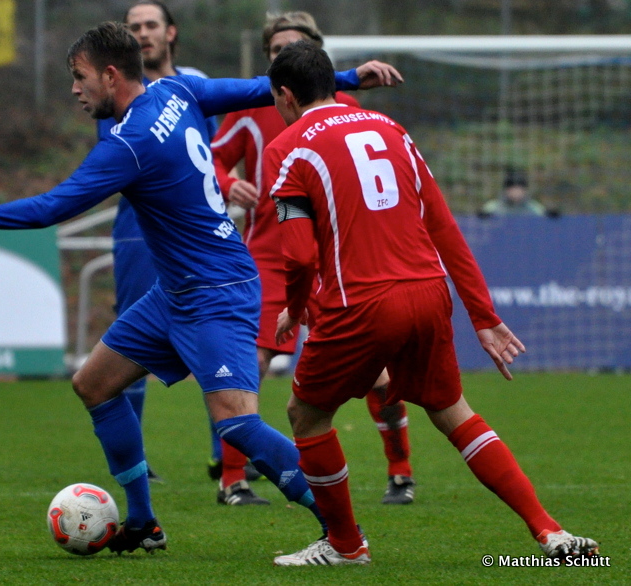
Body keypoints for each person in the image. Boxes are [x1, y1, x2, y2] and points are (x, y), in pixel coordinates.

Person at [0, 23, 393, 557]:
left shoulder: (130, 144)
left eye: (79, 77)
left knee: (238, 423)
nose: (74, 89)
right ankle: (143, 522)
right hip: (175, 292)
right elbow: (256, 86)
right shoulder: (176, 92)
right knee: (93, 384)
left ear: (111, 76)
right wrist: (346, 79)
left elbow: (52, 207)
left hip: (217, 291)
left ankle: (343, 535)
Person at [262, 41, 599, 566]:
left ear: (284, 95)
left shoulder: (286, 146)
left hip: (362, 301)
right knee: (452, 412)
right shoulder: (390, 129)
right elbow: (442, 225)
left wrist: (297, 306)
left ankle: (347, 546)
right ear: (334, 82)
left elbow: (300, 255)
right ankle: (548, 531)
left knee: (305, 414)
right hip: (428, 292)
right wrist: (483, 317)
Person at [211, 11, 416, 505]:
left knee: (380, 376)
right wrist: (226, 182)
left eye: (295, 47)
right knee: (250, 363)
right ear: (267, 62)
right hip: (266, 254)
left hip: (334, 261)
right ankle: (232, 479)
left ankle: (401, 471)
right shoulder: (250, 110)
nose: (285, 55)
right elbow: (213, 157)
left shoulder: (345, 110)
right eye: (277, 49)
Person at [102, 0, 221, 487]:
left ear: (170, 32)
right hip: (137, 233)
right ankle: (138, 461)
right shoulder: (118, 92)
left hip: (194, 235)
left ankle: (228, 458)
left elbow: (216, 154)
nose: (143, 33)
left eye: (150, 25)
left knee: (213, 338)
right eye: (133, 28)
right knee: (131, 345)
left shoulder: (193, 83)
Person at [480, 168, 546, 216]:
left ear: (525, 191)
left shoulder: (535, 209)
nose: (516, 193)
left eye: (519, 189)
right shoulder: (492, 208)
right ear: (506, 190)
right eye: (513, 189)